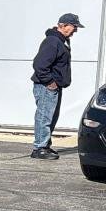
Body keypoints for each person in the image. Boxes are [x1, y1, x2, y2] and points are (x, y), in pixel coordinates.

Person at [30, 12, 85, 160]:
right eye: (74, 27)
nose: (75, 30)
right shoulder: (53, 41)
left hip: (53, 87)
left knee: (51, 117)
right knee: (44, 117)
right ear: (62, 25)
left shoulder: (61, 41)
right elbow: (39, 65)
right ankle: (39, 148)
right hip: (46, 86)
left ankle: (45, 145)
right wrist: (50, 82)